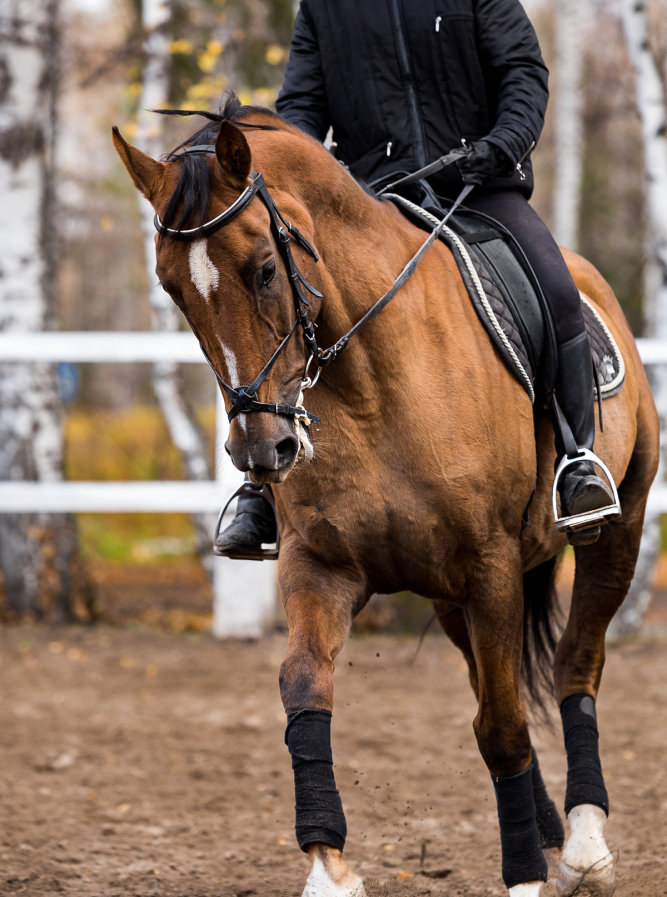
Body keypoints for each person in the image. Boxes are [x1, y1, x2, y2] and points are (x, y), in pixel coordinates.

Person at [215, 0, 615, 558]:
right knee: (263, 297)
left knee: (557, 291)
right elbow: (303, 108)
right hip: (370, 200)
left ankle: (576, 459)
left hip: (481, 187)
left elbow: (522, 71)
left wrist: (503, 143)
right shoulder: (323, 8)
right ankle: (262, 489)